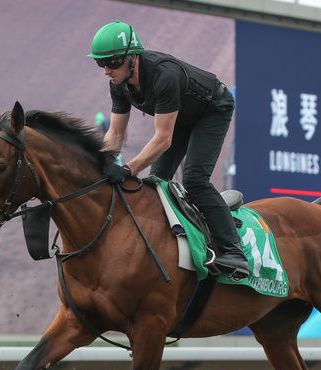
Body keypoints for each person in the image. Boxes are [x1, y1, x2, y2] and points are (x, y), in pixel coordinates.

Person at [89, 20, 249, 279]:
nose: (106, 70)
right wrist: (102, 165)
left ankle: (234, 252)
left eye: (112, 62)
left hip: (211, 110)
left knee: (195, 179)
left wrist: (128, 168)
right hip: (181, 115)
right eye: (100, 63)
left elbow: (163, 139)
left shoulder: (164, 75)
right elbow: (116, 132)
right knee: (157, 182)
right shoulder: (118, 83)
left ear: (133, 57)